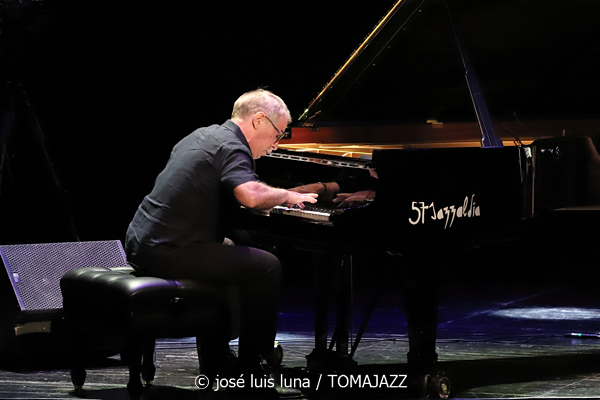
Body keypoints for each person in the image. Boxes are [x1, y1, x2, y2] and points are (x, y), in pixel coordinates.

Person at [123, 89, 318, 384]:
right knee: (267, 266)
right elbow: (251, 196)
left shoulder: (205, 135)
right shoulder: (233, 147)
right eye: (278, 134)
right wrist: (287, 195)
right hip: (168, 250)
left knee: (230, 250)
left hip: (142, 241)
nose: (276, 144)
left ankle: (217, 358)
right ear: (259, 120)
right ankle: (253, 364)